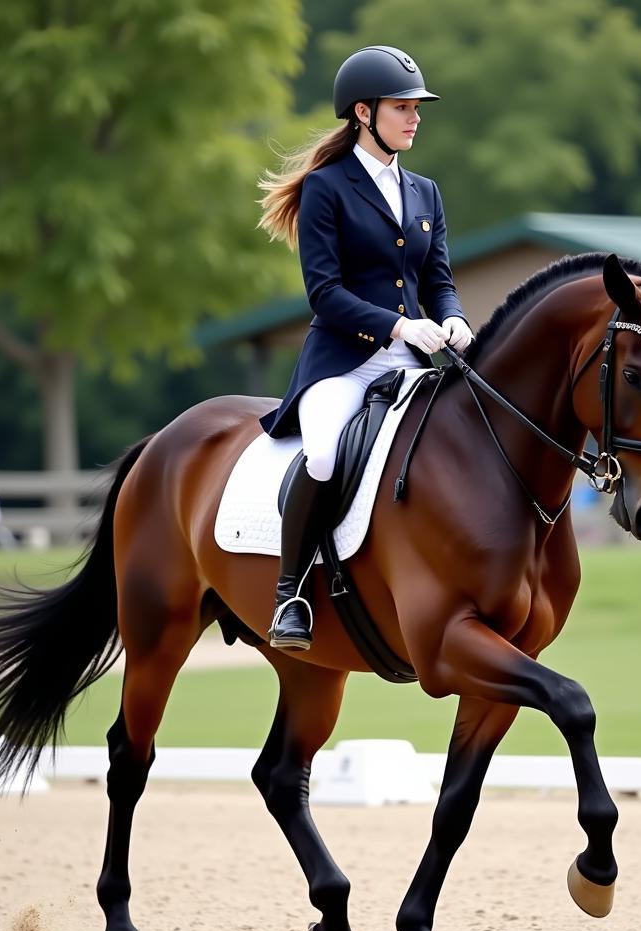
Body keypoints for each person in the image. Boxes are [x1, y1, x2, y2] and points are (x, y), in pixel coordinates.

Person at [256, 44, 474, 651]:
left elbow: (439, 282)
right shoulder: (328, 189)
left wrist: (452, 320)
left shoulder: (426, 191)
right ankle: (290, 594)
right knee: (323, 455)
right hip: (343, 366)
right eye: (402, 107)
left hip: (414, 364)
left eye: (417, 107)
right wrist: (400, 328)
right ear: (363, 112)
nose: (415, 117)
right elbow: (324, 294)